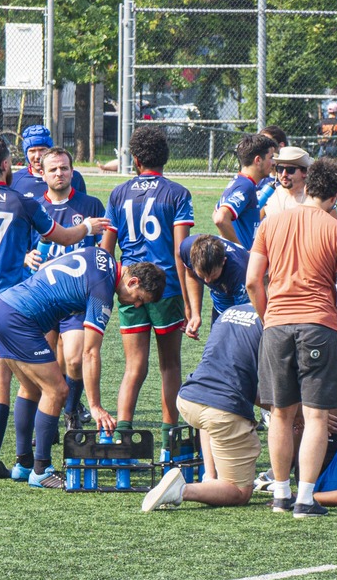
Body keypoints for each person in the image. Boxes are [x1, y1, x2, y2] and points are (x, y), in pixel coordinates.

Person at [0, 137, 106, 468]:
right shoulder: (22, 202)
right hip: (7, 304)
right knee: (1, 380)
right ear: (6, 166)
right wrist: (86, 226)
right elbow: (64, 237)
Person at [0, 246, 164, 486]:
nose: (137, 305)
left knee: (30, 388)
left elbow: (48, 266)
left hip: (2, 305)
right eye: (139, 298)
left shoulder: (101, 256)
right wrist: (96, 406)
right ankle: (41, 469)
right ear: (132, 282)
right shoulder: (103, 291)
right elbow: (89, 352)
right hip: (20, 318)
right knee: (57, 390)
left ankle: (24, 465)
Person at [246, 155, 337, 517]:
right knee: (315, 418)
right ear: (335, 195)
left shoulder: (270, 224)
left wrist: (269, 317)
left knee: (280, 414)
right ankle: (305, 498)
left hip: (277, 325)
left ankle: (280, 494)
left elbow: (252, 280)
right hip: (319, 327)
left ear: (308, 184)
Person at [100, 125, 194, 436]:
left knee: (134, 366)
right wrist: (191, 306)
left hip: (128, 288)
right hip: (164, 289)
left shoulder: (119, 193)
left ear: (137, 160)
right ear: (164, 158)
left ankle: (123, 434)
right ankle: (170, 437)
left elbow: (105, 249)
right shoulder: (177, 193)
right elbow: (182, 253)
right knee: (170, 365)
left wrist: (108, 289)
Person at [141, 302, 267, 510]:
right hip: (221, 410)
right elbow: (264, 391)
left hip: (190, 398)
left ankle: (209, 477)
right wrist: (293, 413)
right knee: (240, 492)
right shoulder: (271, 318)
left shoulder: (230, 311)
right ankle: (182, 490)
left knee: (209, 415)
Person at [30, 145, 106, 426]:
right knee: (45, 364)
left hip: (76, 299)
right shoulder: (34, 207)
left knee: (74, 360)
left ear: (73, 171)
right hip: (43, 297)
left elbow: (104, 251)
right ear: (43, 173)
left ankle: (72, 411)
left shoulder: (91, 205)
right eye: (53, 169)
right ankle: (44, 423)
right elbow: (21, 248)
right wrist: (27, 255)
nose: (59, 173)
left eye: (64, 168)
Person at [177, 232, 249, 335]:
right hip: (222, 295)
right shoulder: (187, 248)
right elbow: (191, 275)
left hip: (247, 292)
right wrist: (196, 314)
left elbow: (245, 317)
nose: (207, 280)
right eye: (202, 275)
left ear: (223, 261)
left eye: (213, 274)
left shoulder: (240, 271)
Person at [213, 132, 275, 248]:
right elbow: (220, 218)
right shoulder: (246, 186)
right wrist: (240, 250)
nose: (274, 163)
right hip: (240, 263)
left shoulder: (239, 181)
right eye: (271, 158)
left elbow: (215, 212)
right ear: (258, 160)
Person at [9, 124, 85, 204]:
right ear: (26, 154)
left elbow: (84, 207)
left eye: (42, 150)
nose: (38, 156)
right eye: (32, 151)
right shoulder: (14, 180)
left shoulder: (73, 178)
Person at [260, 144, 312, 220]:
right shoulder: (269, 194)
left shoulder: (315, 198)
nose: (284, 174)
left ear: (304, 172)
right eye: (280, 169)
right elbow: (253, 224)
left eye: (290, 170)